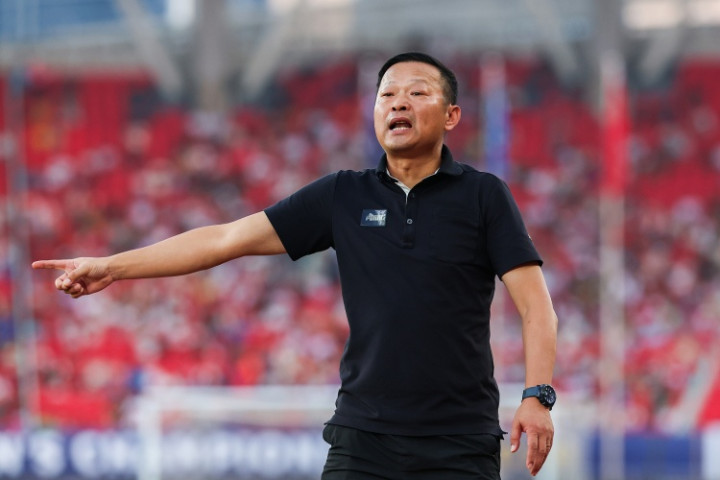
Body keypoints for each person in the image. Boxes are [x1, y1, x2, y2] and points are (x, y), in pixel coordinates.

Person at [33, 52, 558, 479]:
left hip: (459, 441)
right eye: (386, 94)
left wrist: (537, 396)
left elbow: (537, 308)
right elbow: (226, 238)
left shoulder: (484, 196)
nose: (398, 101)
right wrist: (113, 267)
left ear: (451, 116)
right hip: (363, 439)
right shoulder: (343, 195)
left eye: (417, 92)